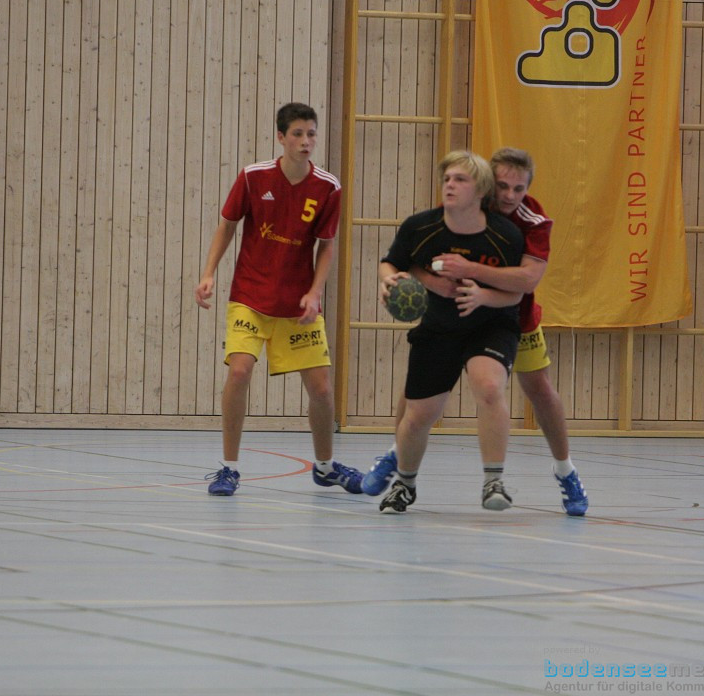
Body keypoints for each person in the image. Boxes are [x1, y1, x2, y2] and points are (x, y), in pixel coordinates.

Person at [361, 148, 589, 516]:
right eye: (502, 186)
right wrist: (424, 281)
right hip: (447, 319)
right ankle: (398, 460)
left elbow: (528, 279)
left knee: (536, 392)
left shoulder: (525, 222)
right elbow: (410, 259)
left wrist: (474, 277)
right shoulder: (445, 214)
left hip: (512, 315)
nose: (509, 196)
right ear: (486, 185)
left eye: (518, 188)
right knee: (418, 396)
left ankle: (566, 471)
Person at [194, 102, 362, 496]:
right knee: (239, 372)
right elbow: (228, 226)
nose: (307, 142)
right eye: (299, 134)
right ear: (281, 137)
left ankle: (324, 467)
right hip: (250, 295)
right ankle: (229, 468)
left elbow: (327, 246)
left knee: (321, 390)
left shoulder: (328, 187)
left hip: (296, 305)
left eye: (312, 134)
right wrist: (208, 274)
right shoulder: (254, 178)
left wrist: (315, 292)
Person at [371, 150, 526, 514]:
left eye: (460, 180)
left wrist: (483, 295)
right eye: (447, 179)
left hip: (490, 325)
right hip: (438, 328)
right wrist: (389, 280)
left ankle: (494, 481)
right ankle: (405, 483)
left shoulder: (505, 236)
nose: (450, 185)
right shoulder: (420, 227)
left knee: (488, 386)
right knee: (419, 415)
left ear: (480, 190)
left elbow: (517, 291)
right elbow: (392, 261)